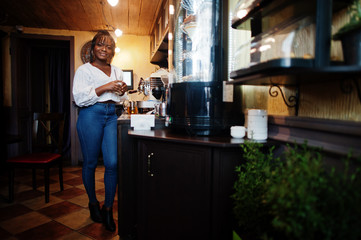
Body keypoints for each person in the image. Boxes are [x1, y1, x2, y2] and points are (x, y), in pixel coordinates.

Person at [72, 30, 127, 232]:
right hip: (90, 115)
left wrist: (122, 91)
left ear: (113, 51)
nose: (104, 49)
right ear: (93, 48)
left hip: (112, 115)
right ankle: (93, 203)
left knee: (112, 163)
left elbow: (119, 98)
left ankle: (108, 209)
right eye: (100, 45)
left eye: (109, 46)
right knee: (91, 162)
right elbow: (79, 99)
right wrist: (106, 87)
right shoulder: (84, 70)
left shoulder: (117, 70)